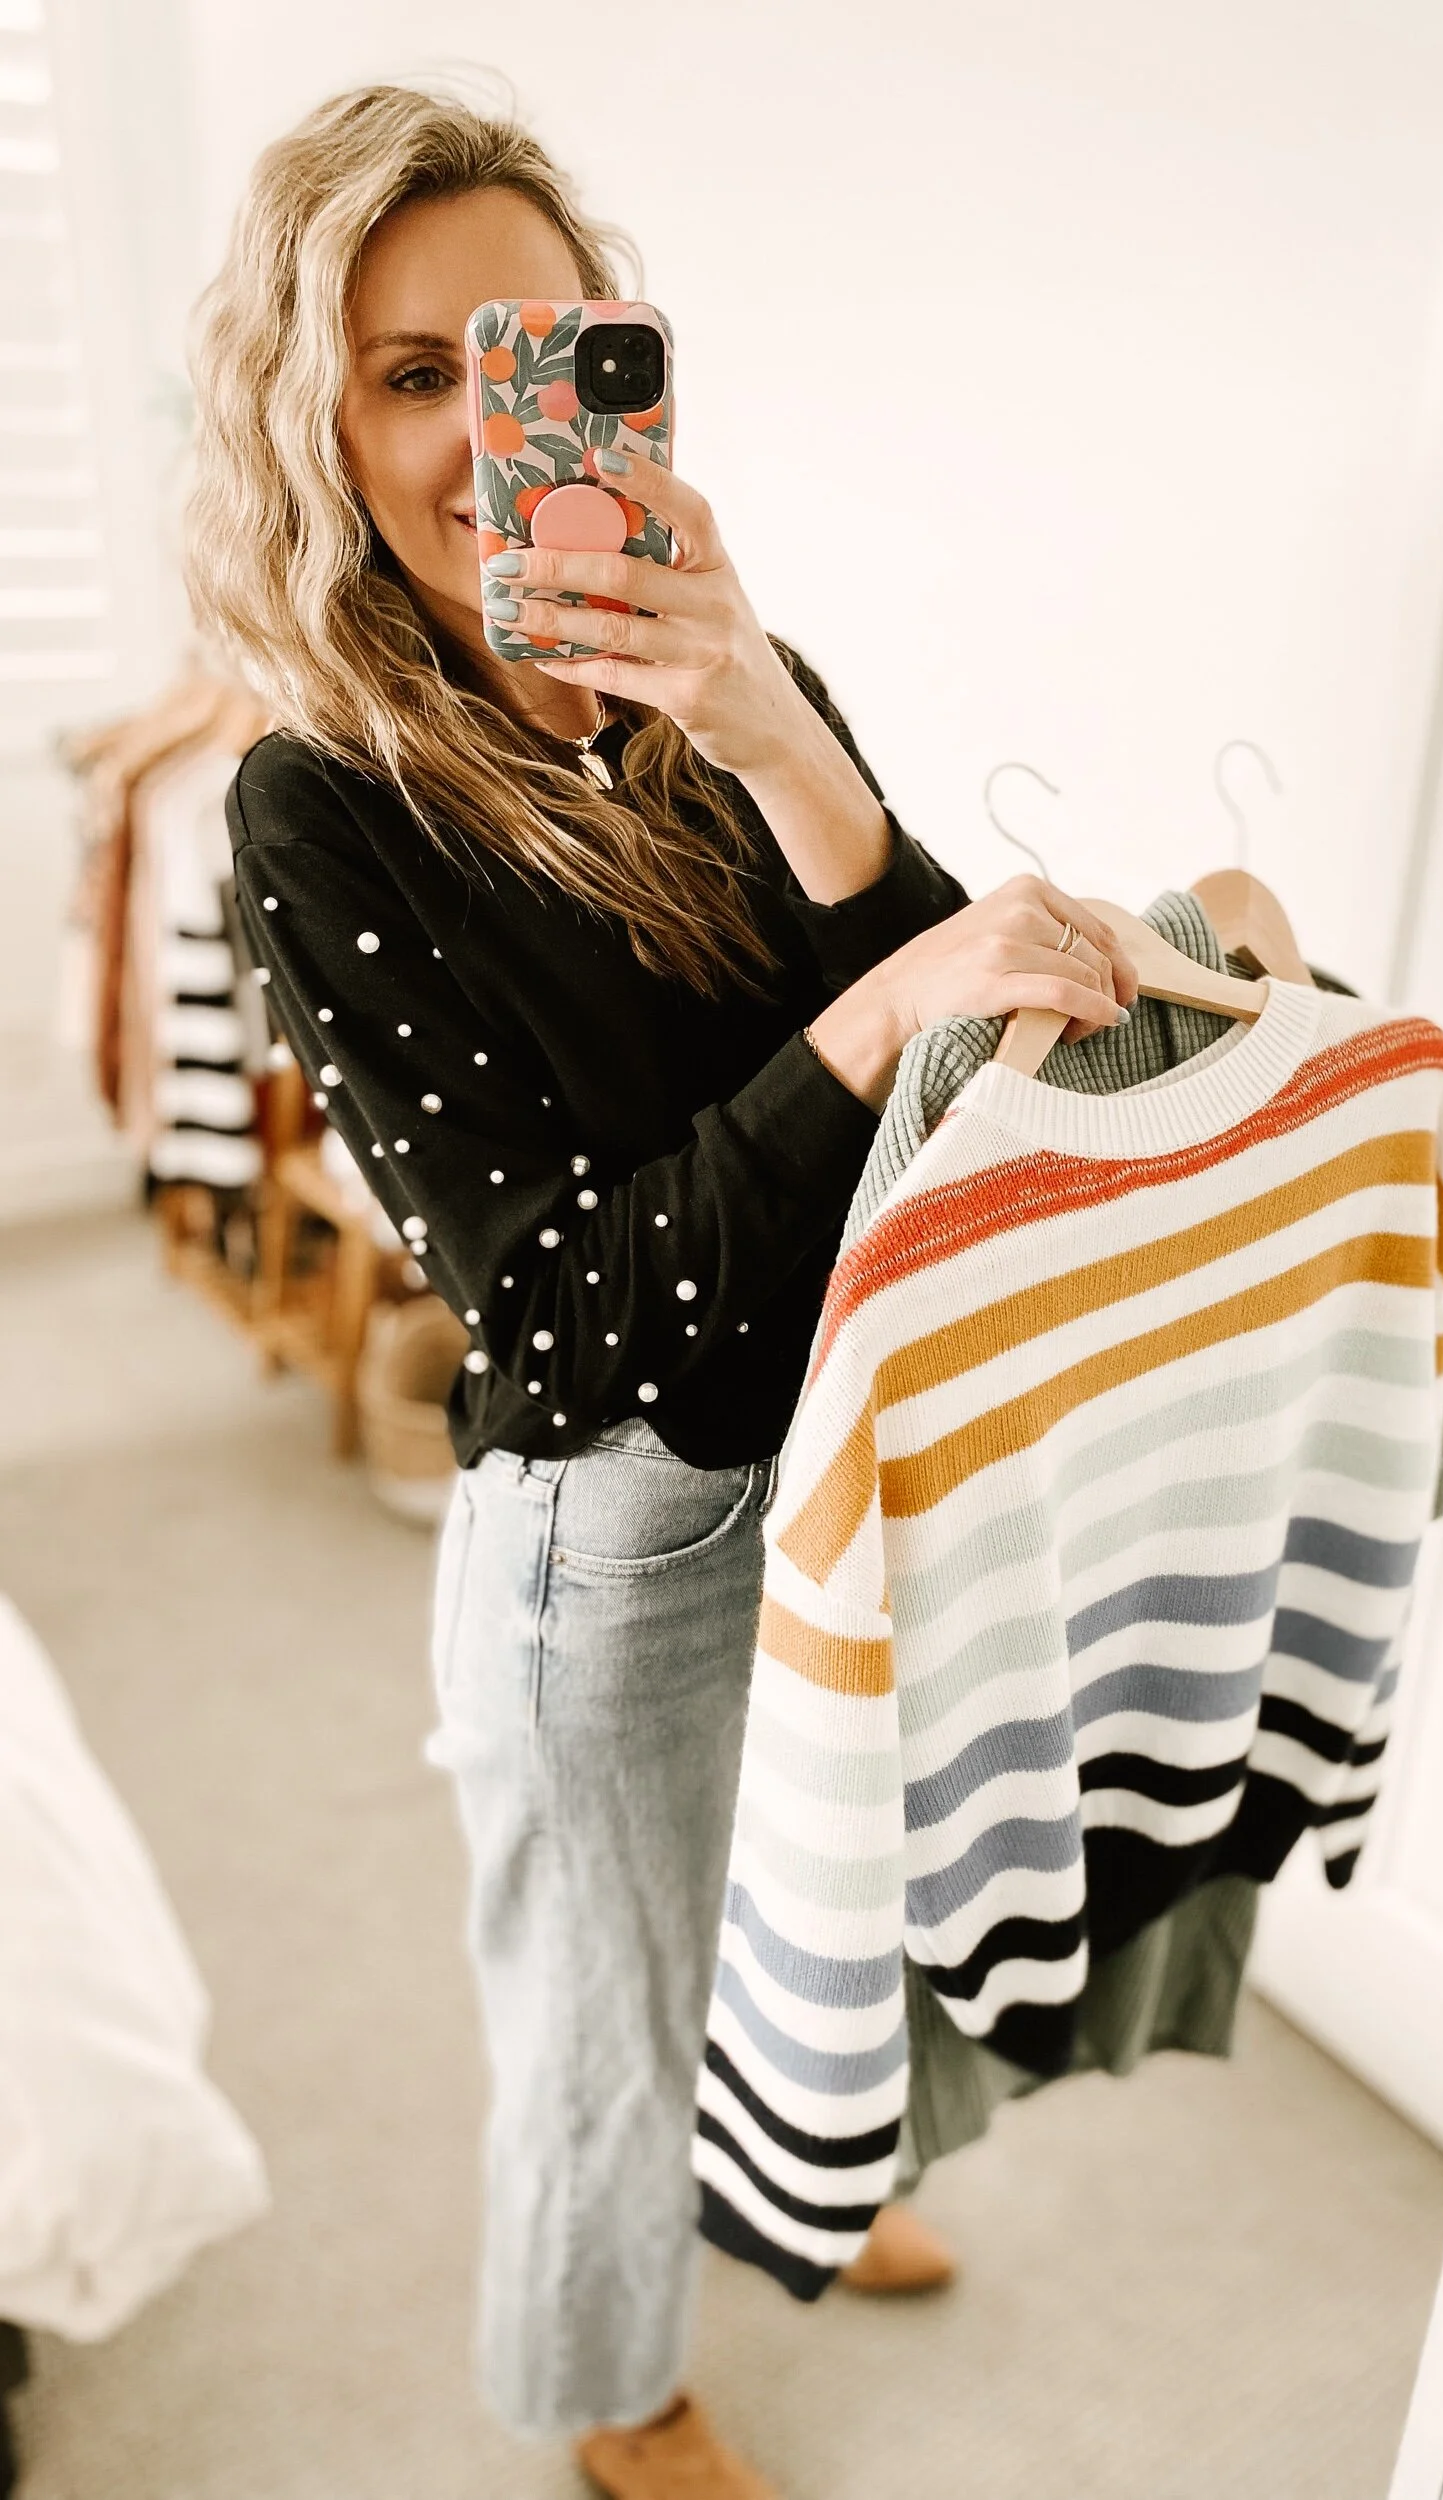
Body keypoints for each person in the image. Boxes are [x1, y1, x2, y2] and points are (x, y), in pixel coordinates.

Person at [185, 85, 1135, 2500]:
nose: (483, 428)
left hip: (838, 1447)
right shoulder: (318, 803)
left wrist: (775, 737)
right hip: (612, 1534)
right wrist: (872, 1014)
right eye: (412, 373)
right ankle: (614, 2383)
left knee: (821, 1892)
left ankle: (792, 2180)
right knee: (603, 2016)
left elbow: (964, 1067)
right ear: (316, 422)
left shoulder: (732, 682)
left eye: (538, 351)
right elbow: (561, 1310)